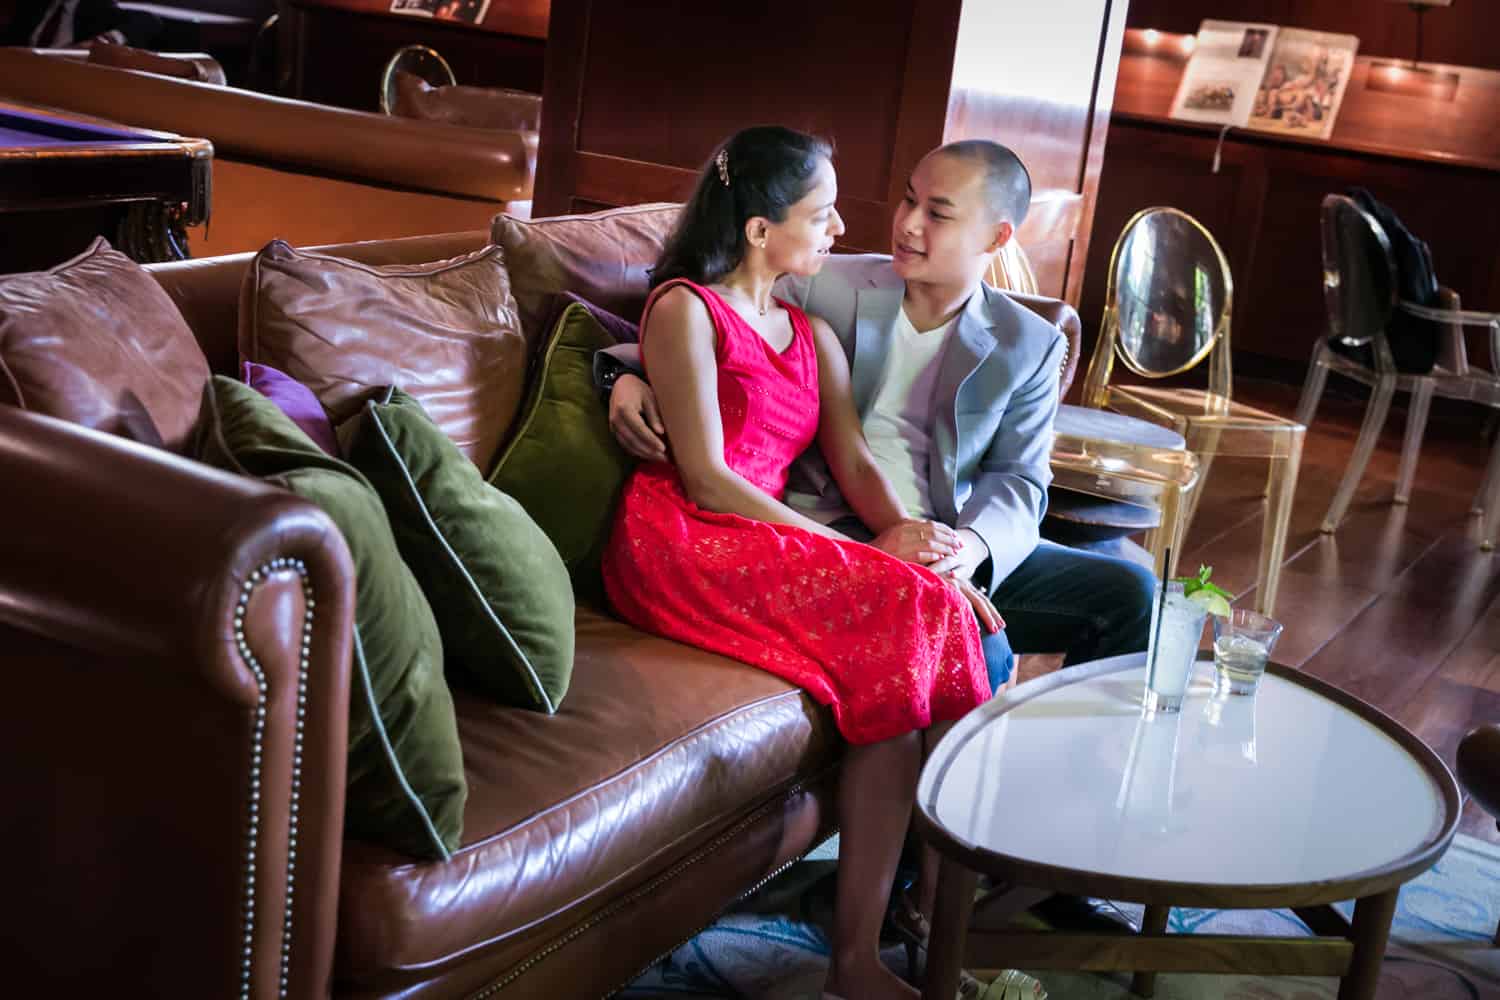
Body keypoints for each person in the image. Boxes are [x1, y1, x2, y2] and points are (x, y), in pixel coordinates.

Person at [600, 125, 1013, 1000]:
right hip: (686, 538)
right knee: (910, 610)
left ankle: (921, 921)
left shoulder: (807, 331)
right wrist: (855, 553)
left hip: (765, 534)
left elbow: (854, 461)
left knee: (930, 615)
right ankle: (864, 960)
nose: (839, 231)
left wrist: (922, 548)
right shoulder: (686, 309)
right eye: (821, 216)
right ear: (759, 230)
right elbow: (708, 477)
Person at [604, 139, 1155, 697]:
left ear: (996, 237)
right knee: (971, 643)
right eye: (909, 200)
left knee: (1132, 593)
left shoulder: (1030, 344)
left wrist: (965, 549)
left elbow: (1018, 479)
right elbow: (712, 318)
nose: (909, 224)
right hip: (829, 523)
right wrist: (623, 375)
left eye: (937, 213)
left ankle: (1087, 767)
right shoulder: (822, 282)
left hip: (948, 538)